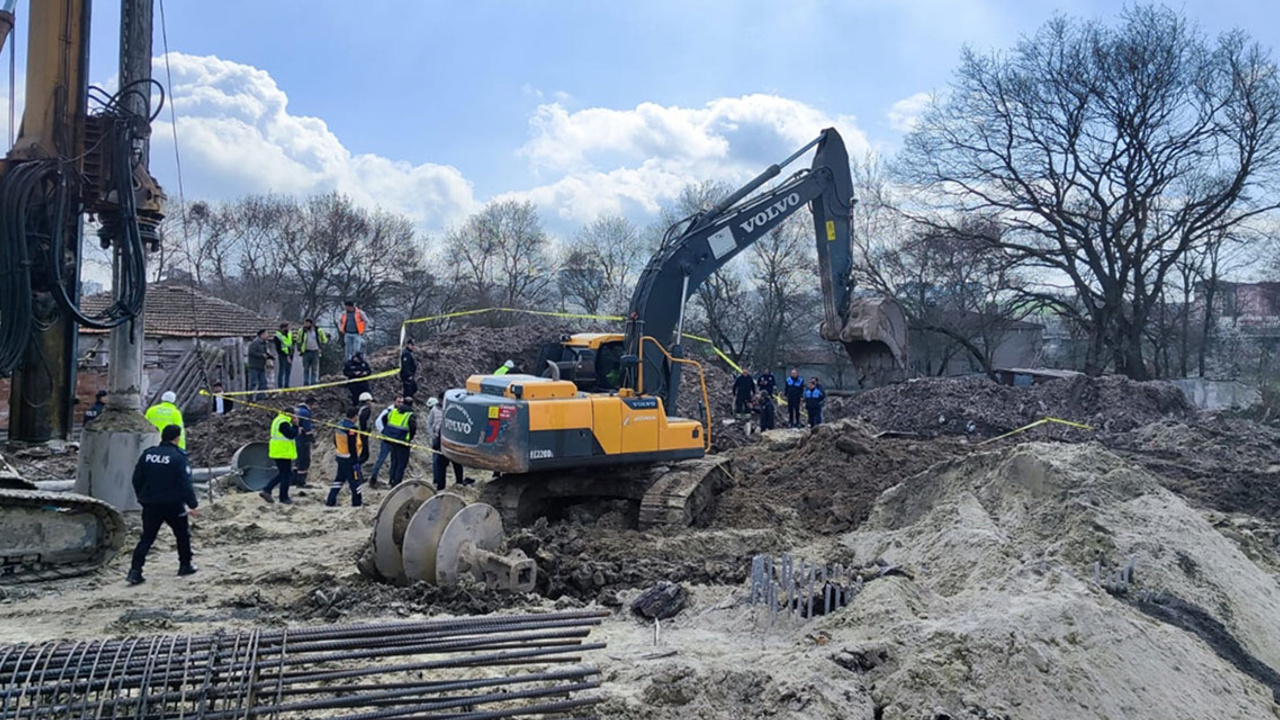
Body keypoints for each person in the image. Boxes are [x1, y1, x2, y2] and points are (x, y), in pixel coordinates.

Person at [126, 424, 198, 585]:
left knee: (147, 537)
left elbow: (137, 478)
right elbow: (185, 483)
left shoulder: (148, 454)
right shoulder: (179, 457)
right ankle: (185, 565)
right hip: (173, 504)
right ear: (177, 438)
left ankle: (135, 571)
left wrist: (142, 497)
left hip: (151, 503)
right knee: (182, 535)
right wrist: (192, 504)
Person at [426, 392, 469, 490]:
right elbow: (429, 423)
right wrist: (433, 436)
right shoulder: (434, 410)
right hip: (439, 439)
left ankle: (459, 481)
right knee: (439, 463)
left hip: (453, 440)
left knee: (457, 462)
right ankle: (440, 484)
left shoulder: (454, 409)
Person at [327, 407, 364, 507]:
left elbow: (335, 439)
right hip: (349, 457)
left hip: (340, 455)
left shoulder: (340, 424)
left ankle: (330, 500)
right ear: (355, 416)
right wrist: (355, 459)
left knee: (339, 479)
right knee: (355, 480)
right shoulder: (352, 428)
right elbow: (352, 444)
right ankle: (357, 502)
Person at [260, 411, 298, 504]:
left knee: (283, 473)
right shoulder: (283, 423)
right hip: (282, 452)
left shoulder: (278, 420)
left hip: (278, 451)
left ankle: (267, 490)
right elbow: (291, 435)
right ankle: (283, 497)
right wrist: (295, 425)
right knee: (286, 475)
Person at [366, 396, 400, 487]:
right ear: (394, 402)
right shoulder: (388, 411)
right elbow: (378, 421)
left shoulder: (400, 412)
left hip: (395, 440)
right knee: (381, 459)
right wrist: (384, 432)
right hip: (387, 440)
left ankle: (391, 480)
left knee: (394, 461)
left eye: (401, 402)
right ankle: (373, 478)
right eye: (398, 401)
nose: (400, 404)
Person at [384, 396, 417, 487]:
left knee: (394, 461)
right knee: (401, 464)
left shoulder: (394, 411)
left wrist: (387, 431)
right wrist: (410, 438)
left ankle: (391, 480)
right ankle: (397, 484)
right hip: (403, 442)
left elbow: (384, 419)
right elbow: (413, 427)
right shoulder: (410, 414)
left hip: (392, 440)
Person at [295, 318, 328, 387]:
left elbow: (324, 340)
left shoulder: (318, 331)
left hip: (315, 352)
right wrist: (300, 349)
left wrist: (322, 346)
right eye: (305, 323)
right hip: (306, 352)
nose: (306, 325)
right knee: (306, 368)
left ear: (311, 324)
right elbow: (298, 340)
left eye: (307, 323)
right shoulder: (302, 331)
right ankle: (306, 383)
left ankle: (313, 383)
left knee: (314, 369)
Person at [293, 398, 315, 488]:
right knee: (304, 461)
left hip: (295, 439)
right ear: (311, 404)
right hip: (303, 440)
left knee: (297, 461)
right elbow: (307, 429)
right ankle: (301, 482)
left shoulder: (297, 410)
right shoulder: (306, 413)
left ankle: (293, 480)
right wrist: (312, 439)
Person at [355, 391, 375, 484]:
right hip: (362, 434)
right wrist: (365, 431)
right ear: (367, 401)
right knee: (364, 455)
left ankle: (357, 473)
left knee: (361, 455)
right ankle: (357, 474)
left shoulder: (359, 409)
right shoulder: (366, 410)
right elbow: (363, 420)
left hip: (358, 434)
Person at [247, 329, 270, 400]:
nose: (267, 335)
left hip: (262, 366)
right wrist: (261, 355)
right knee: (253, 382)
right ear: (261, 335)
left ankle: (260, 397)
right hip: (254, 366)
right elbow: (251, 353)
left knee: (263, 383)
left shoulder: (265, 343)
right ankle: (250, 397)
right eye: (266, 334)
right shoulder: (254, 343)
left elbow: (265, 352)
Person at [272, 322, 294, 390]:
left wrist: (291, 354)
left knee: (288, 371)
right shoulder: (278, 336)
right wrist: (286, 355)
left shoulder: (290, 334)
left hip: (290, 354)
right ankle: (280, 386)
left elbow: (292, 344)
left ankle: (287, 385)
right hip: (282, 355)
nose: (288, 328)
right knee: (282, 371)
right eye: (287, 327)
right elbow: (278, 348)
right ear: (283, 328)